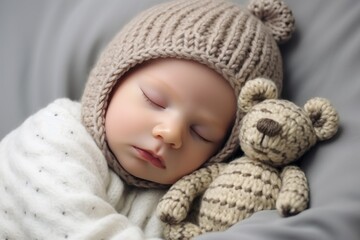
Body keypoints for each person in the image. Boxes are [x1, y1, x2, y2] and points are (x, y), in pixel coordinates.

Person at [0, 0, 295, 239]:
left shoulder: (174, 202)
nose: (171, 133)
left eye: (201, 133)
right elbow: (71, 222)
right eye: (154, 100)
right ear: (112, 81)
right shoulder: (56, 131)